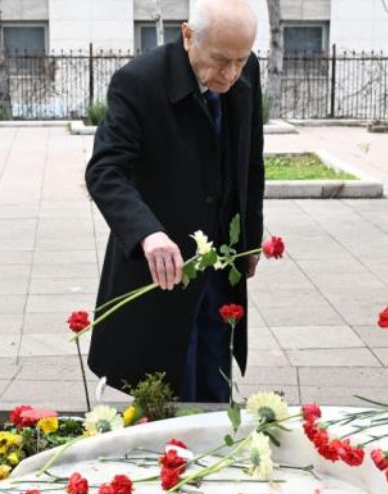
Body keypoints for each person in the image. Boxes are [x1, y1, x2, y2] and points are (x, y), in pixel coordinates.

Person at [85, 0, 264, 403]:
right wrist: (147, 233)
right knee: (167, 383)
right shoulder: (139, 81)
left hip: (220, 263)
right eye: (221, 61)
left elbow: (250, 163)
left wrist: (250, 239)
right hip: (165, 265)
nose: (232, 74)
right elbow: (105, 171)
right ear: (187, 36)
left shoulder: (246, 69)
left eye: (240, 60)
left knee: (215, 379)